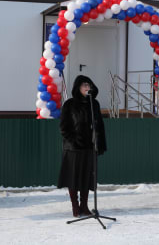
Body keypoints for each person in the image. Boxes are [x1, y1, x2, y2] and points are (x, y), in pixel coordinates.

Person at [57, 75, 107, 217]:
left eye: (89, 85)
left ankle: (84, 206)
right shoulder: (69, 104)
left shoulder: (94, 103)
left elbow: (100, 125)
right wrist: (74, 140)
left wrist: (100, 142)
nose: (87, 88)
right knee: (73, 178)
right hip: (73, 148)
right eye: (84, 85)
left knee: (86, 177)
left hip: (89, 147)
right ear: (78, 87)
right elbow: (63, 127)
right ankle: (75, 205)